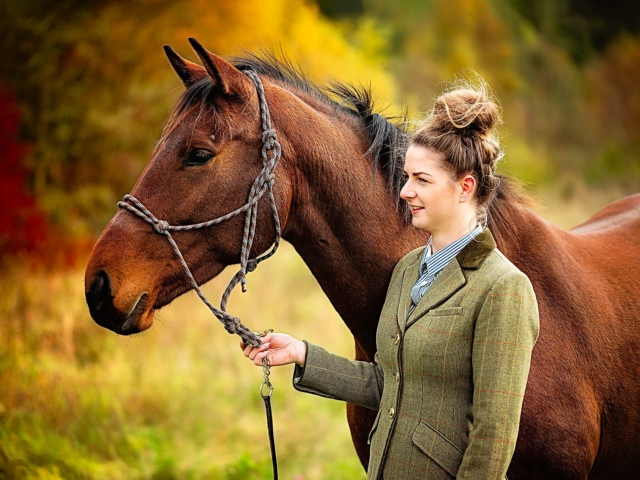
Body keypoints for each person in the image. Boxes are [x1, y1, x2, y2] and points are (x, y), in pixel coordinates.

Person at [241, 83, 540, 479]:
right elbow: (392, 383)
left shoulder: (503, 288)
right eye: (405, 177)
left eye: (422, 180)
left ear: (465, 187)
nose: (405, 191)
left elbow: (495, 432)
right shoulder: (407, 269)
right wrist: (301, 354)